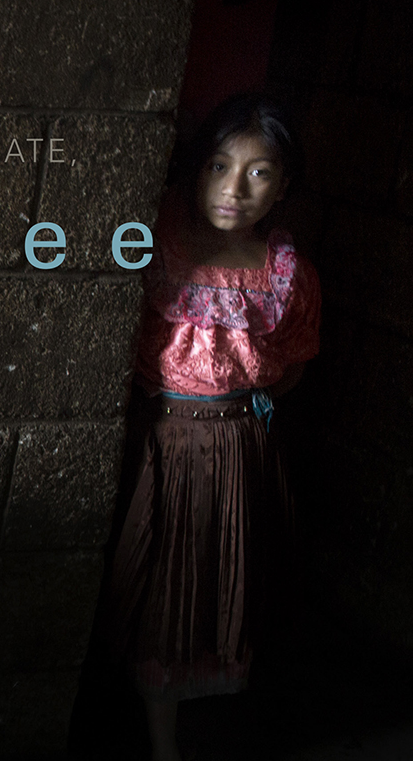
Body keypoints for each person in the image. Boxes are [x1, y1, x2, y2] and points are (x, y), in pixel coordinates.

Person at [81, 93, 320, 761]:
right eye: (218, 165)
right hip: (162, 439)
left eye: (258, 172)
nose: (233, 188)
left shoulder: (287, 273)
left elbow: (293, 362)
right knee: (162, 583)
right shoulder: (157, 245)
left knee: (224, 573)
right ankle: (160, 737)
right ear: (194, 169)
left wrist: (240, 408)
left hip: (240, 442)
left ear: (284, 185)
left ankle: (207, 702)